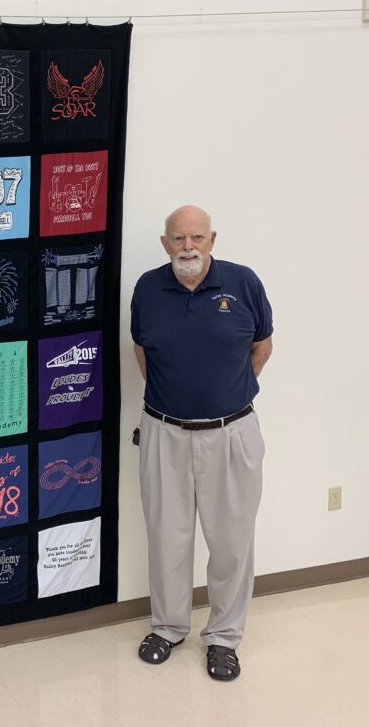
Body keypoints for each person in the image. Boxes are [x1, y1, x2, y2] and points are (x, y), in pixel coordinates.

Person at [130, 205, 273, 682]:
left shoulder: (244, 283)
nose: (187, 247)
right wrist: (180, 404)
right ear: (164, 242)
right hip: (164, 432)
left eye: (196, 237)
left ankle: (224, 638)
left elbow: (261, 347)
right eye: (178, 239)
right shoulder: (148, 289)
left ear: (212, 239)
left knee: (231, 542)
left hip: (232, 433)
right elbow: (143, 352)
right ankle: (168, 628)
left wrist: (224, 398)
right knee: (167, 538)